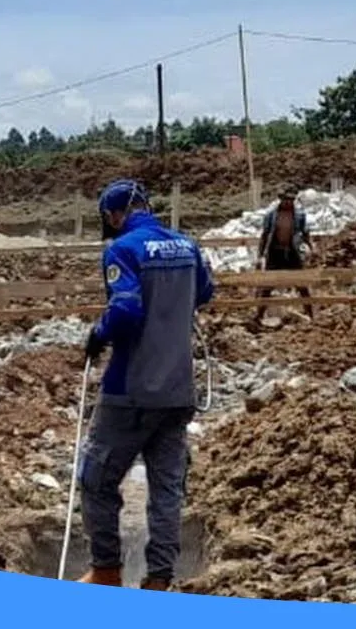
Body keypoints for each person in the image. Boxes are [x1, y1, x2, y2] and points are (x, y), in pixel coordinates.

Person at [77, 179, 215, 591]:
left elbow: (125, 309)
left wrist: (98, 334)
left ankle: (106, 571)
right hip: (178, 387)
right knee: (167, 488)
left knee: (97, 479)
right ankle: (159, 578)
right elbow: (205, 291)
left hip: (131, 388)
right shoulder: (188, 246)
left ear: (114, 215)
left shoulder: (122, 249)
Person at [254, 189, 313, 324]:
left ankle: (310, 314)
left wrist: (310, 247)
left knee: (301, 285)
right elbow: (265, 235)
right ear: (281, 200)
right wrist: (260, 255)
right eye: (286, 200)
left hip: (292, 252)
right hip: (275, 252)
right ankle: (259, 315)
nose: (288, 203)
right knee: (268, 286)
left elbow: (305, 232)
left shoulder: (299, 215)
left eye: (291, 200)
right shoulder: (271, 215)